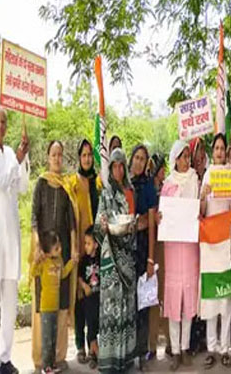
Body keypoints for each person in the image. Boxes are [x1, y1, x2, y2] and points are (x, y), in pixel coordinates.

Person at [0, 106, 29, 374]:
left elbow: (21, 186)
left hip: (11, 237)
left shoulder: (11, 153)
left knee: (10, 304)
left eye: (4, 121)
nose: (0, 125)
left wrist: (23, 157)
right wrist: (16, 162)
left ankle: (5, 357)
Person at [30, 140, 79, 372]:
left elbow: (71, 222)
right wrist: (37, 245)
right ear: (48, 157)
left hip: (63, 252)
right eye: (54, 154)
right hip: (43, 252)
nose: (57, 158)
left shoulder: (66, 186)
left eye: (60, 154)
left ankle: (59, 356)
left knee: (62, 303)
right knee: (42, 305)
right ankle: (42, 359)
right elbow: (34, 217)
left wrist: (75, 248)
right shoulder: (41, 184)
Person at [200, 133, 231, 369]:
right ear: (212, 151)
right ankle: (211, 347)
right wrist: (202, 196)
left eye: (221, 148)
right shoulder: (207, 174)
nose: (218, 152)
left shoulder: (230, 174)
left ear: (225, 152)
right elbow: (202, 211)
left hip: (226, 242)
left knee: (226, 297)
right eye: (215, 148)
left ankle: (225, 348)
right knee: (211, 297)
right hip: (210, 243)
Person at [95, 148, 137, 373]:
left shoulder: (130, 191)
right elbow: (98, 226)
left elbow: (133, 221)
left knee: (126, 307)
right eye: (115, 166)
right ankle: (110, 361)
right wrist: (103, 225)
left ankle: (126, 359)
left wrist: (132, 226)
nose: (119, 170)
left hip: (128, 257)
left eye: (122, 166)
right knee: (111, 309)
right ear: (110, 168)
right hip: (110, 258)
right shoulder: (106, 193)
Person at [161, 141, 200, 371]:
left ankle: (185, 347)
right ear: (175, 159)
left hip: (190, 246)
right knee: (175, 297)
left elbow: (198, 208)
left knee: (188, 296)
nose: (186, 160)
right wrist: (161, 218)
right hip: (174, 247)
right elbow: (164, 214)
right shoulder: (168, 184)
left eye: (188, 156)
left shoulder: (195, 180)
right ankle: (175, 350)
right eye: (182, 156)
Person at [71, 139, 101, 365]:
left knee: (94, 301)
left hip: (96, 248)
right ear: (79, 157)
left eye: (90, 154)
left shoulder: (98, 182)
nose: (88, 158)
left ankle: (94, 344)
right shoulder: (74, 182)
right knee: (80, 299)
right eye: (84, 155)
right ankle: (80, 345)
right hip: (80, 248)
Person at [31, 232, 78, 374]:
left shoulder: (59, 261)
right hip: (45, 307)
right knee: (46, 339)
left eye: (59, 246)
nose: (60, 249)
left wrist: (72, 262)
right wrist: (36, 261)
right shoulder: (44, 263)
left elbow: (63, 274)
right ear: (47, 251)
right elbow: (33, 273)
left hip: (55, 307)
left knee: (53, 338)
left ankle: (51, 364)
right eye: (56, 248)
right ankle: (46, 367)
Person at [128, 145, 158, 370]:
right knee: (128, 303)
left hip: (142, 249)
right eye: (136, 158)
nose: (138, 162)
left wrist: (150, 258)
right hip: (125, 250)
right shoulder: (124, 183)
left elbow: (151, 222)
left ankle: (141, 353)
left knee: (143, 304)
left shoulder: (148, 186)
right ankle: (127, 353)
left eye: (142, 159)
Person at [147, 154, 171, 357]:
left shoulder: (168, 188)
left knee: (165, 295)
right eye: (161, 168)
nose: (164, 171)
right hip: (152, 246)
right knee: (153, 298)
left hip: (166, 247)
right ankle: (152, 345)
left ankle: (171, 343)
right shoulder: (149, 189)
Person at [188, 137, 208, 355]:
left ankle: (203, 336)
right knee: (192, 286)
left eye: (202, 151)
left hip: (207, 238)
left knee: (203, 286)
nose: (200, 155)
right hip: (189, 239)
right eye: (197, 152)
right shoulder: (188, 178)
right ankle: (191, 338)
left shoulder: (209, 176)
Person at [77, 227, 101, 370]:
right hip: (88, 298)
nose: (86, 246)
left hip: (99, 297)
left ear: (96, 245)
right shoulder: (84, 260)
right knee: (90, 323)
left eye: (89, 243)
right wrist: (84, 285)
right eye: (85, 243)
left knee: (97, 323)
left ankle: (96, 350)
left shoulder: (100, 259)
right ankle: (93, 353)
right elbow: (80, 276)